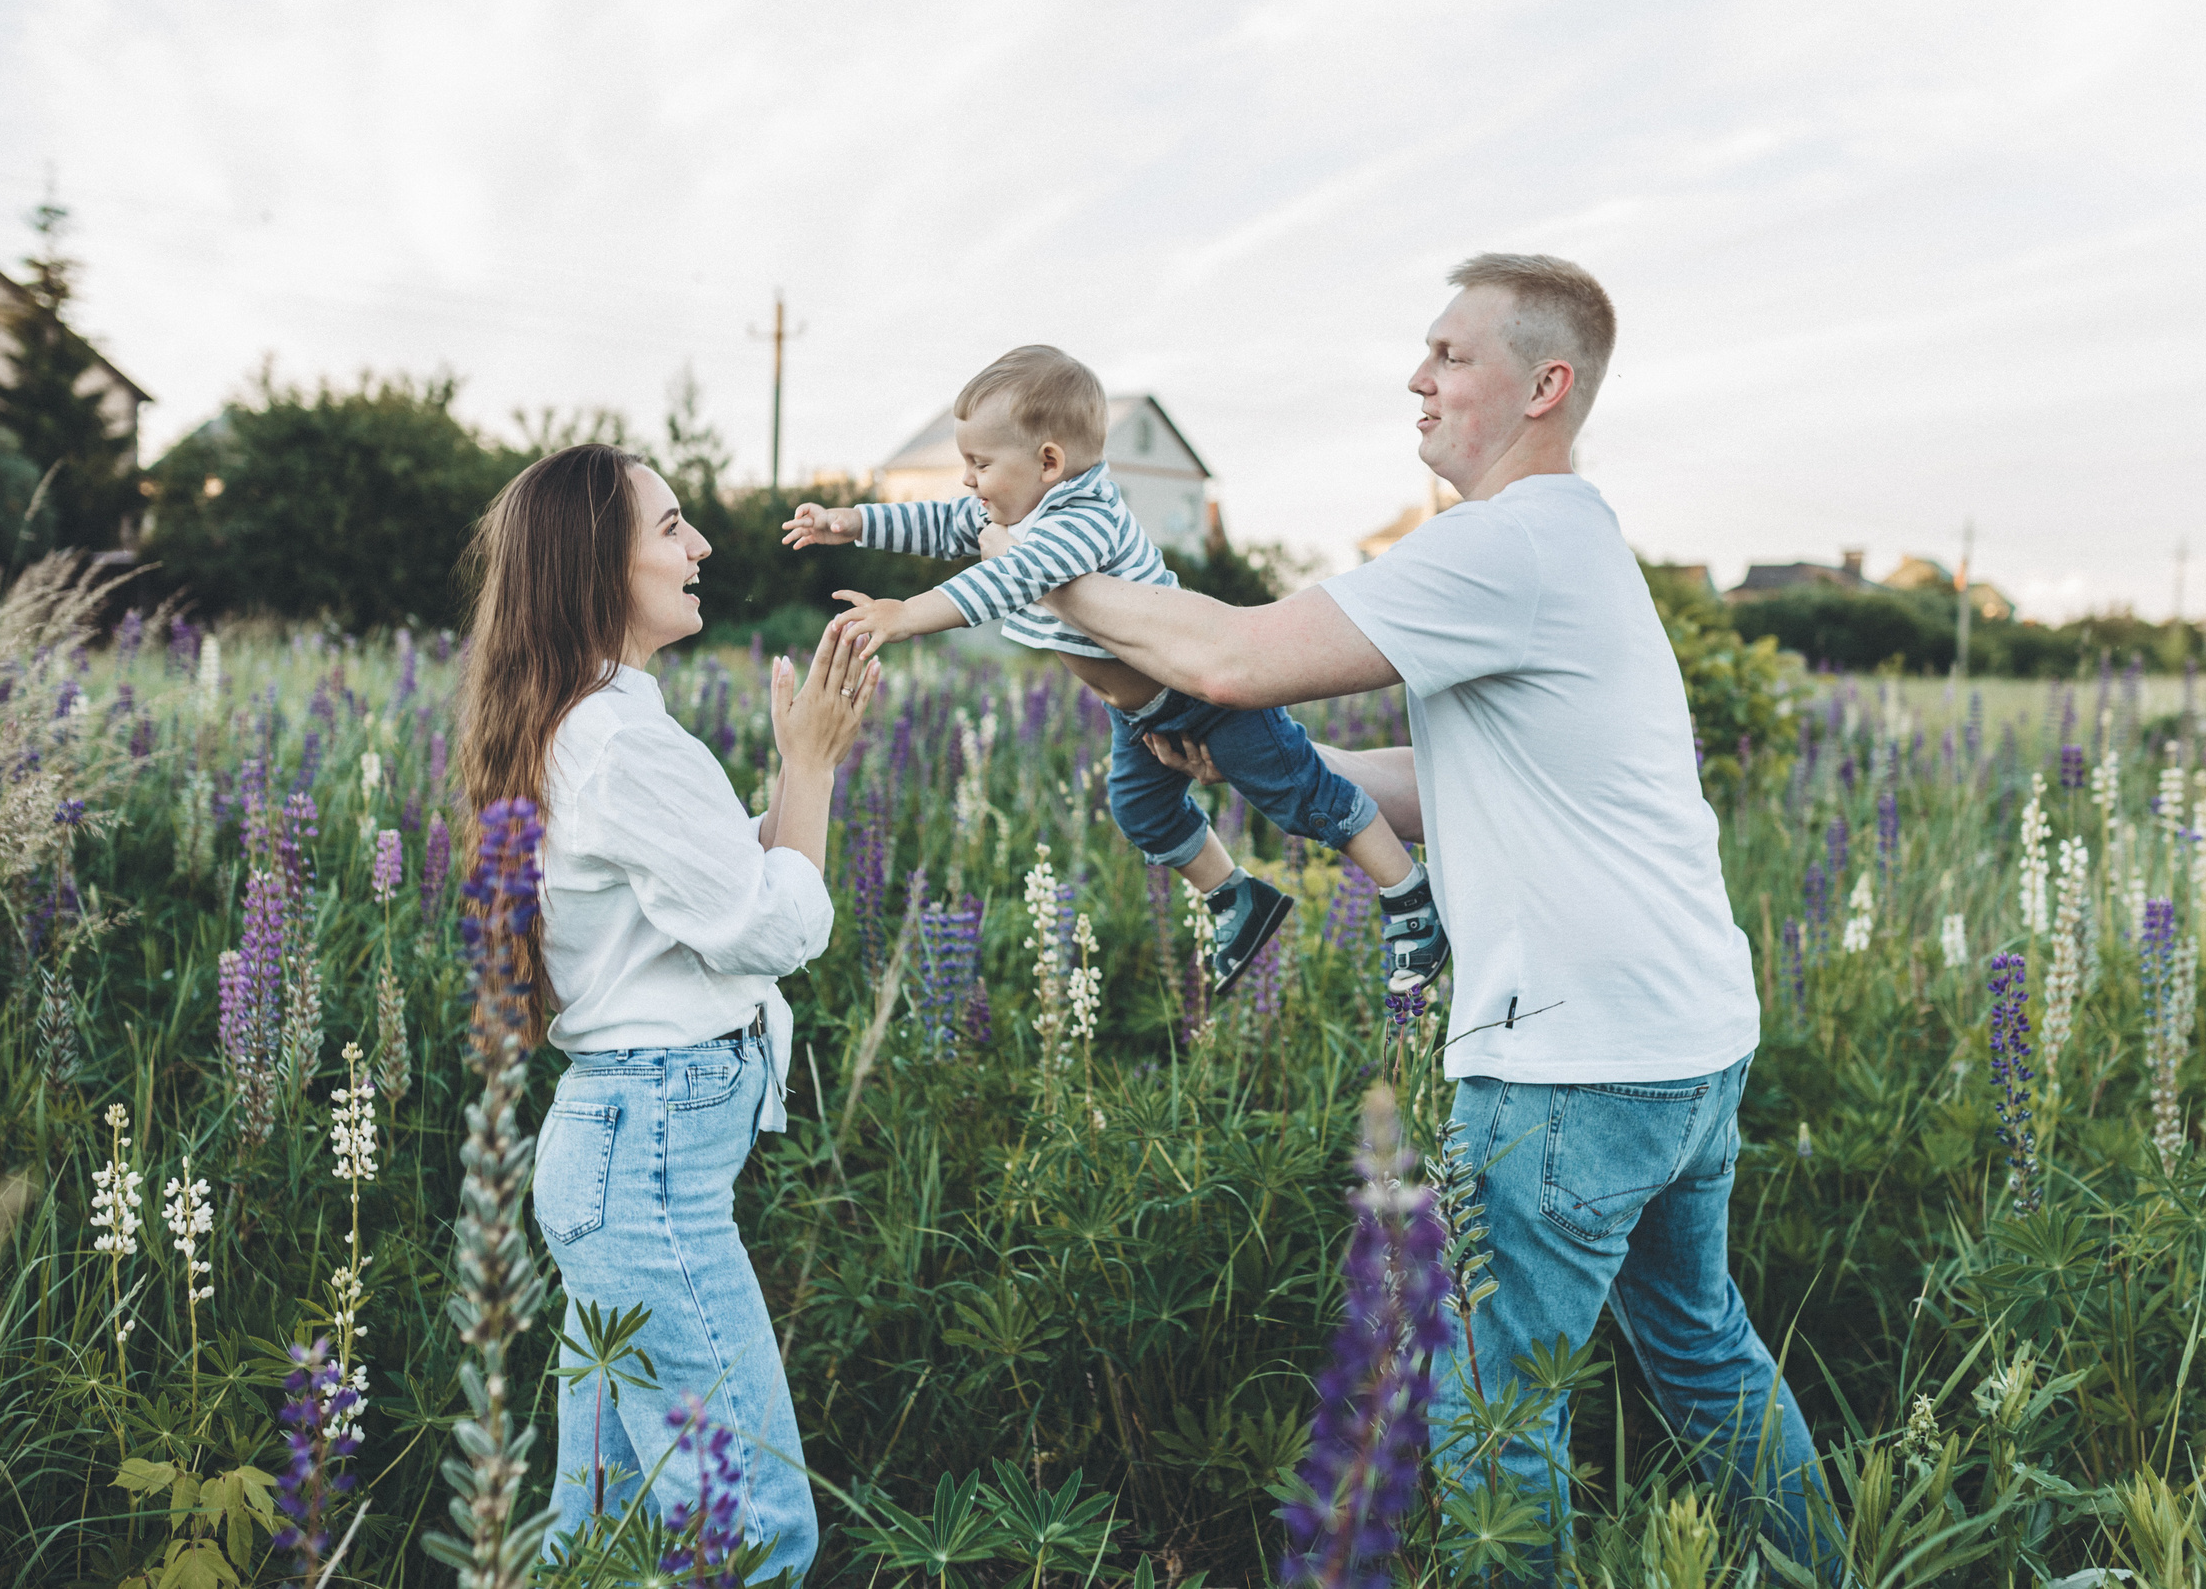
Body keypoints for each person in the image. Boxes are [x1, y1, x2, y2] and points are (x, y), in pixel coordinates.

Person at [1027, 256, 1824, 1566]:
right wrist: (1253, 767)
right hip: (1684, 1042)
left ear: (1544, 385)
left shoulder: (1504, 541)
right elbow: (1453, 776)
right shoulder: (1573, 541)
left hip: (1571, 1067)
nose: (1418, 376)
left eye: (1452, 354)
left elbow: (1226, 655)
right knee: (1702, 1350)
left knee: (1490, 1416)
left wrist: (1028, 560)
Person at [457, 442, 878, 1571]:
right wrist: (813, 769)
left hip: (623, 1156)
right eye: (672, 526)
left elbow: (719, 882)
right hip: (643, 1170)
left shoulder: (588, 724)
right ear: (599, 567)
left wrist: (799, 764)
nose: (700, 545)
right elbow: (769, 927)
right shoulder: (620, 740)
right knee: (752, 1528)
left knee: (603, 1534)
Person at [782, 343, 1448, 996]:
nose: (967, 480)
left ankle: (1408, 892)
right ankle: (1238, 899)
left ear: (1049, 462)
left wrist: (905, 614)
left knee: (1303, 795)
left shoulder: (1084, 520)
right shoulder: (1023, 507)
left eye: (980, 464)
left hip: (1201, 694)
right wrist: (853, 522)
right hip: (1139, 715)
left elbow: (1007, 577)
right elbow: (943, 521)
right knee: (1141, 811)